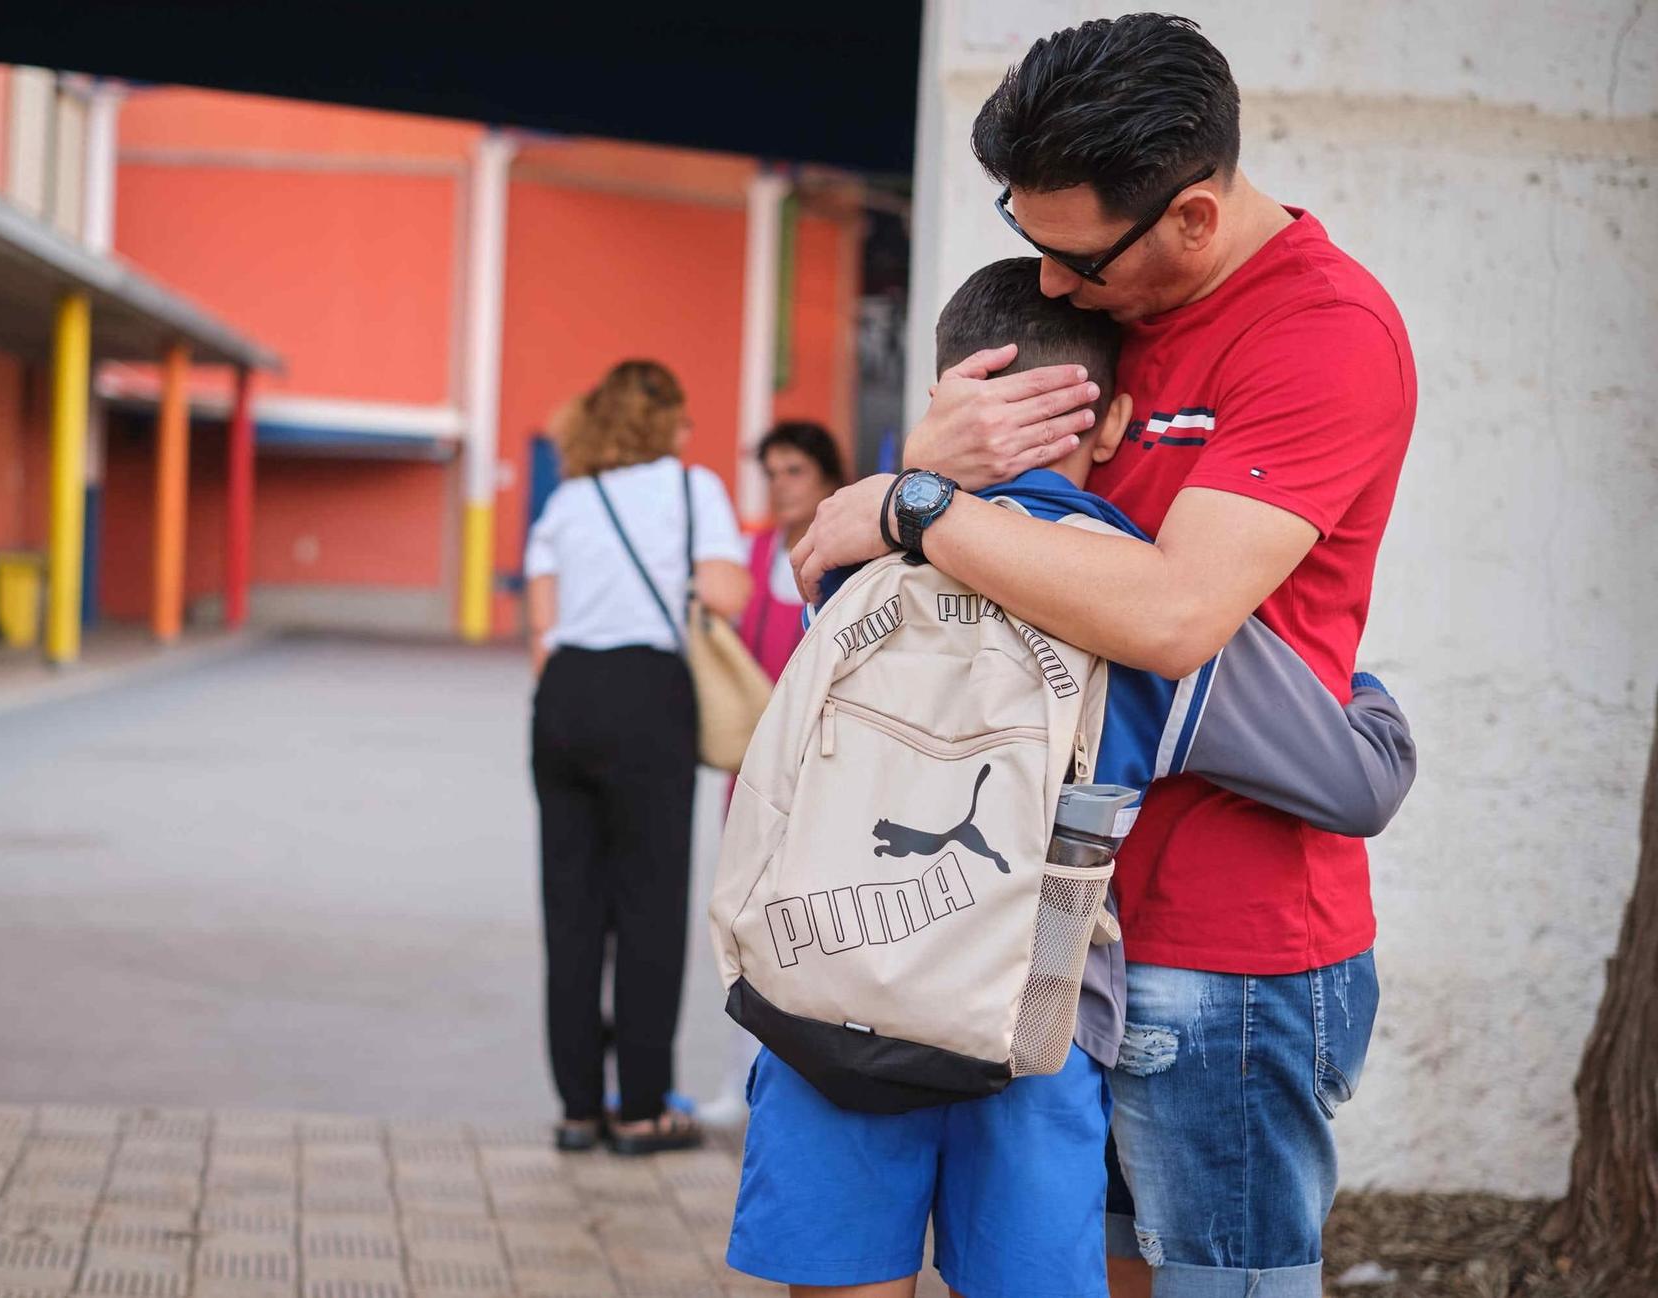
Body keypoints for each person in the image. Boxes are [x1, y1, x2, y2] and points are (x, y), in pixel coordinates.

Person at [792, 17, 1417, 1297]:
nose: (1056, 287)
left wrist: (915, 503)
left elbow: (1175, 613)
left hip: (1230, 949)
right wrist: (927, 465)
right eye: (1029, 244)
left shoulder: (1320, 332)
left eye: (1072, 256)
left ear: (1190, 215)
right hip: (1061, 936)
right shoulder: (1120, 304)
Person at [524, 359, 750, 1155]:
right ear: (667, 421)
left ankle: (578, 1108)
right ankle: (644, 1108)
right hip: (648, 692)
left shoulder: (566, 502)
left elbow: (541, 638)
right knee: (649, 909)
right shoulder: (693, 491)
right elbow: (727, 594)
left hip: (565, 696)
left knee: (572, 910)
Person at [742, 422, 847, 681]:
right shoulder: (745, 551)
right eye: (771, 474)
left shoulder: (855, 561)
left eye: (794, 471)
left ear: (829, 478)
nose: (779, 485)